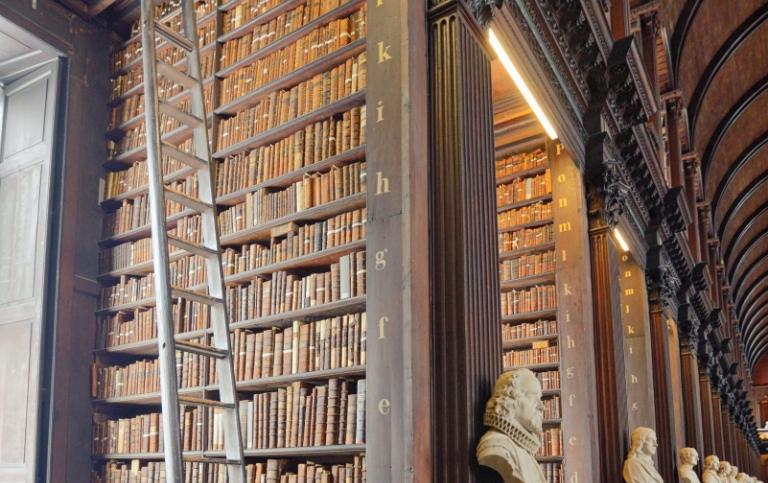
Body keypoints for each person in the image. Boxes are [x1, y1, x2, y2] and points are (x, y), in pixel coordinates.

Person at [477, 368, 546, 483]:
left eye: (540, 399)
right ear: (511, 400)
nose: (541, 407)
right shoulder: (497, 446)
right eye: (534, 397)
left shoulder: (523, 448)